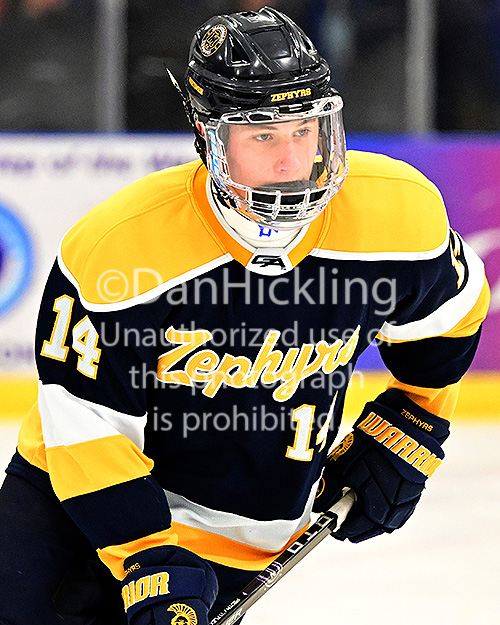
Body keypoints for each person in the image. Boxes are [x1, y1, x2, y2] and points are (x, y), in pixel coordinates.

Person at [0, 6, 490, 625]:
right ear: (207, 136)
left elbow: (451, 314)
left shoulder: (398, 213)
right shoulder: (120, 249)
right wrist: (147, 556)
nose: (292, 162)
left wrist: (414, 422)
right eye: (262, 136)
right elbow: (86, 427)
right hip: (73, 516)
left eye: (305, 130)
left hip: (243, 535)